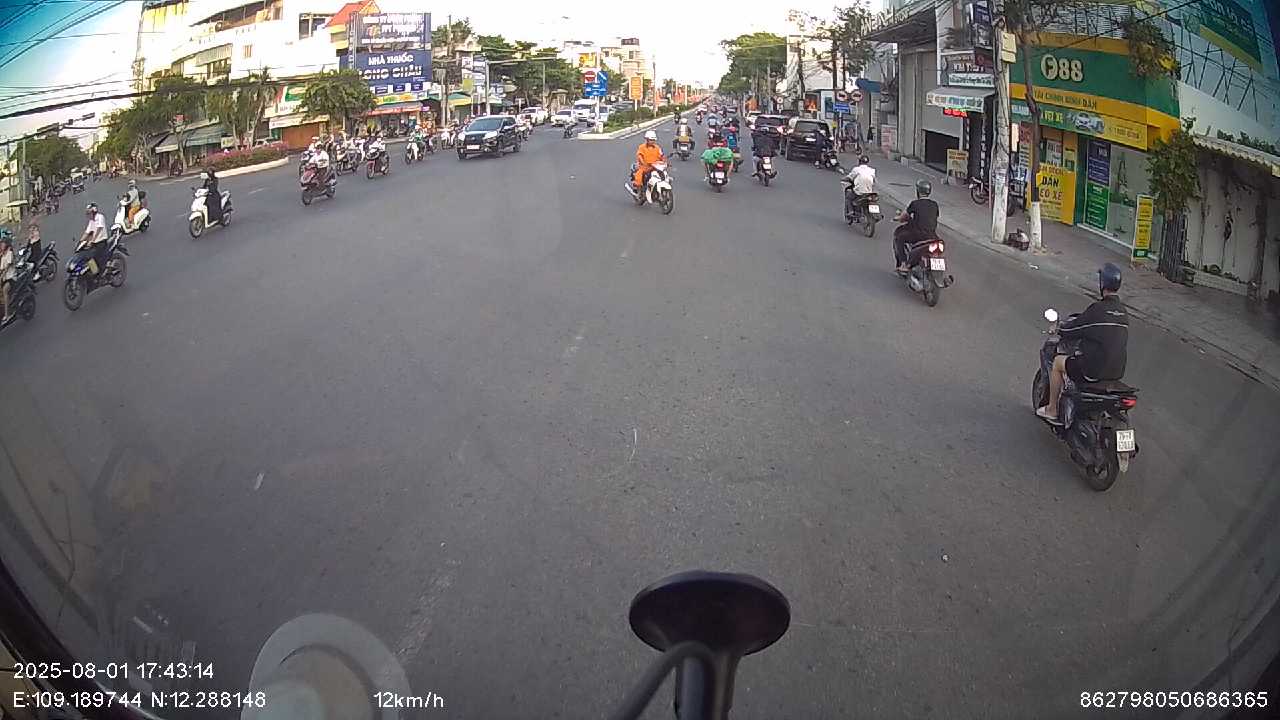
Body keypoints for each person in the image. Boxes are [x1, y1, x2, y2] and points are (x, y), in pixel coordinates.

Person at [1037, 264, 1129, 425]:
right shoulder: (1123, 312)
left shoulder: (1098, 309)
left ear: (1102, 284)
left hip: (1093, 370)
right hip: (1116, 372)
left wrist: (1059, 328)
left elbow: (1075, 327)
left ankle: (1052, 409)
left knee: (1058, 363)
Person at [892, 179, 939, 272]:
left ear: (918, 191)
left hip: (918, 234)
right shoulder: (935, 204)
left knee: (899, 238)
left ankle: (904, 264)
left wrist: (898, 218)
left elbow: (904, 216)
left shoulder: (915, 203)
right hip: (932, 235)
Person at [631, 130, 667, 195]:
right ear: (647, 140)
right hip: (645, 166)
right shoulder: (642, 147)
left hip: (656, 166)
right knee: (639, 176)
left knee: (664, 175)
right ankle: (638, 188)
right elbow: (640, 156)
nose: (652, 141)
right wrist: (643, 162)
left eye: (653, 140)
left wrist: (664, 161)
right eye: (651, 140)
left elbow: (662, 155)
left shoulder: (657, 147)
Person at [0, 235, 14, 323]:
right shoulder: (2, 254)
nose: (1, 245)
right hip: (3, 277)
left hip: (10, 277)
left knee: (5, 290)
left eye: (3, 243)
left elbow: (7, 268)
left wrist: (1, 277)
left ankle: (7, 314)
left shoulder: (9, 253)